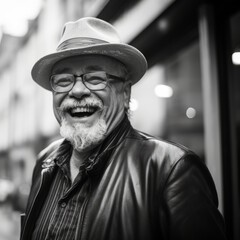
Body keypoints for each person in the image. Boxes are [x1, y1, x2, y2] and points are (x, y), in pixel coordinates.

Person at [20, 17, 227, 240]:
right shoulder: (45, 162)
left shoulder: (171, 171)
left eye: (95, 77)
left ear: (126, 93)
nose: (77, 90)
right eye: (63, 80)